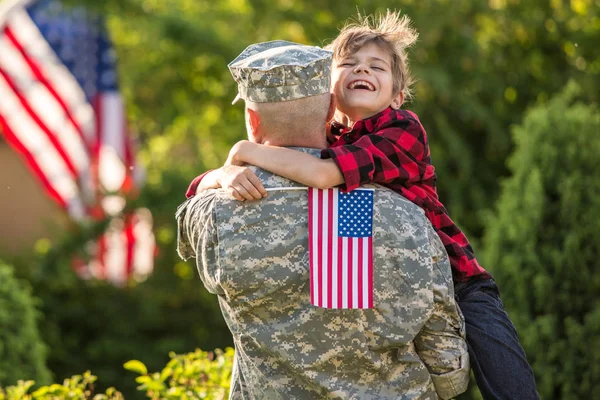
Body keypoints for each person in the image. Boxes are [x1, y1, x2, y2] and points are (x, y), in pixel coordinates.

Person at [187, 11, 539, 400]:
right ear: (328, 95)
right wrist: (221, 175)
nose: (363, 70)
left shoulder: (403, 129)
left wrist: (243, 152)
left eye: (377, 67)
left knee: (507, 378)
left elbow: (322, 177)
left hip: (460, 277)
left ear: (397, 96)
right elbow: (203, 191)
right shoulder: (331, 138)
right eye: (349, 63)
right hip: (412, 282)